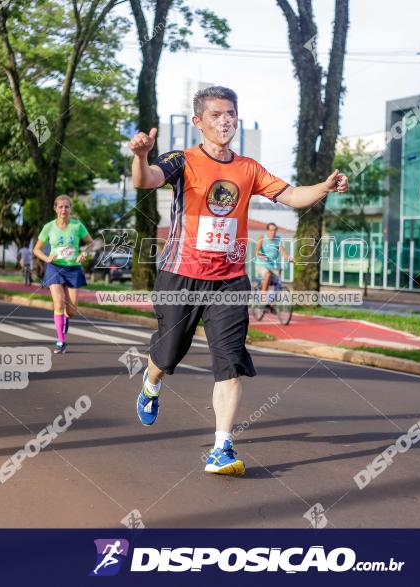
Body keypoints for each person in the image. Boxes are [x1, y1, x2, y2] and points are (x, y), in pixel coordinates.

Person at [129, 86, 348, 476]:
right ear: (198, 122)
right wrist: (142, 155)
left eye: (231, 113)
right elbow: (146, 180)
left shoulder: (249, 168)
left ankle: (222, 447)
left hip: (229, 281)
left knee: (229, 365)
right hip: (180, 276)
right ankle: (150, 383)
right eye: (216, 114)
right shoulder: (182, 160)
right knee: (167, 354)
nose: (225, 120)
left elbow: (293, 196)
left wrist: (324, 187)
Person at [33, 195, 93, 354]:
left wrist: (84, 253)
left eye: (67, 207)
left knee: (71, 309)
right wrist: (46, 258)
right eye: (60, 207)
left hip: (73, 268)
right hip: (55, 268)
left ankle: (66, 319)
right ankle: (61, 340)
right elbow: (36, 249)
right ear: (55, 208)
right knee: (58, 304)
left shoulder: (77, 226)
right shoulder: (49, 227)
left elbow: (90, 243)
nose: (64, 210)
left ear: (70, 209)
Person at [254, 222, 292, 304]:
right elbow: (256, 251)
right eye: (271, 230)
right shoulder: (262, 238)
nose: (273, 232)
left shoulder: (278, 239)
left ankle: (272, 303)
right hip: (261, 264)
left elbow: (282, 252)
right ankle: (263, 297)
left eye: (274, 230)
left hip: (272, 266)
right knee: (267, 274)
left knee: (278, 282)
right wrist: (261, 255)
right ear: (267, 231)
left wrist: (288, 257)